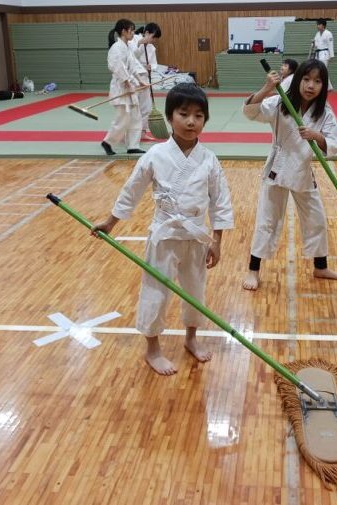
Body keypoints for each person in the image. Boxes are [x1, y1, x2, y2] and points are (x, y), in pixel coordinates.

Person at [91, 83, 234, 375]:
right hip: (164, 236)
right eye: (184, 114)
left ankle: (191, 339)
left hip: (195, 236)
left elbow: (220, 201)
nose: (191, 121)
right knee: (155, 291)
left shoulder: (209, 158)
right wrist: (110, 222)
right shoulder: (155, 155)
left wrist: (217, 241)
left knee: (195, 291)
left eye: (198, 115)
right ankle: (152, 349)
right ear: (170, 117)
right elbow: (131, 191)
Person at [241, 59, 337, 291]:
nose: (311, 85)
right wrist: (266, 89)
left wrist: (316, 136)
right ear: (298, 79)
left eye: (318, 81)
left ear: (323, 86)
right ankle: (253, 270)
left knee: (316, 219)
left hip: (302, 171)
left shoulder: (324, 113)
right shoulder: (281, 102)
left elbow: (334, 143)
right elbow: (251, 112)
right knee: (267, 220)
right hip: (277, 170)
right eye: (307, 79)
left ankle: (320, 267)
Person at [101, 19, 146, 156]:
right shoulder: (116, 48)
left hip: (129, 87)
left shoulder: (127, 47)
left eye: (133, 30)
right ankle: (107, 142)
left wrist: (140, 81)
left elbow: (133, 67)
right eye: (131, 30)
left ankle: (132, 145)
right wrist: (126, 81)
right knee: (123, 118)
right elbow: (116, 66)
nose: (133, 33)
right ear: (123, 31)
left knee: (135, 117)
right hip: (121, 88)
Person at [131, 23, 162, 140]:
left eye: (155, 39)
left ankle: (142, 133)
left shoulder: (151, 48)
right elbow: (130, 57)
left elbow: (154, 64)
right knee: (133, 107)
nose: (153, 40)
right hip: (133, 79)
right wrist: (139, 43)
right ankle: (129, 134)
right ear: (147, 33)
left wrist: (151, 67)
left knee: (146, 107)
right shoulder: (133, 40)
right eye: (153, 37)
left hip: (144, 78)